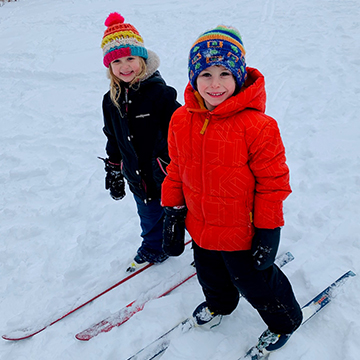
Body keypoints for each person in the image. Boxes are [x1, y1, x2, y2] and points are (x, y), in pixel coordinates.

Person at [161, 25, 303, 356]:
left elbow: (273, 183)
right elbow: (176, 170)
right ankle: (220, 305)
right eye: (206, 73)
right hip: (200, 227)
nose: (215, 83)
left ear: (238, 75)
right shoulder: (181, 120)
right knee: (210, 276)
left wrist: (269, 231)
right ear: (193, 76)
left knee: (256, 283)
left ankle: (285, 320)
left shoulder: (258, 127)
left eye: (225, 73)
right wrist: (172, 213)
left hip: (243, 233)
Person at [100, 12, 181, 272]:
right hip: (138, 177)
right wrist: (114, 168)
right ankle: (154, 247)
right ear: (110, 67)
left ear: (142, 59)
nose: (125, 66)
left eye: (131, 58)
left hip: (168, 173)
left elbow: (182, 130)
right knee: (148, 215)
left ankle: (204, 245)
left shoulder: (160, 94)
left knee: (181, 212)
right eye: (117, 61)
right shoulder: (109, 100)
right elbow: (112, 137)